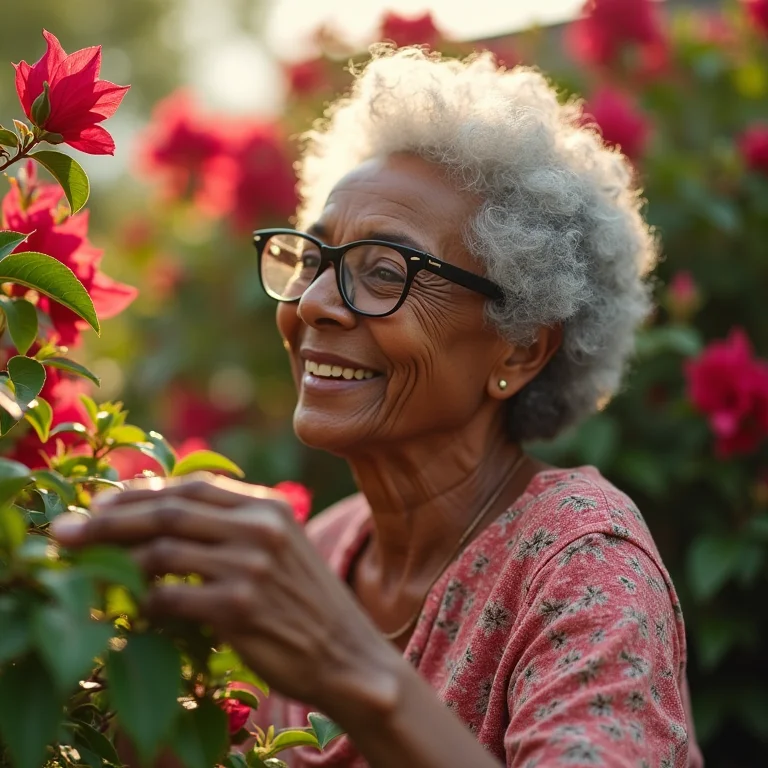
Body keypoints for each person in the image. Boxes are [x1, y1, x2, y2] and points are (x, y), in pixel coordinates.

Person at [53, 46, 704, 767]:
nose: (316, 303)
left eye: (386, 272)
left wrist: (350, 668)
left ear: (519, 350)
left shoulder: (585, 565)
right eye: (314, 260)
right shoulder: (326, 553)